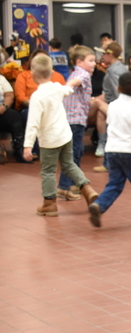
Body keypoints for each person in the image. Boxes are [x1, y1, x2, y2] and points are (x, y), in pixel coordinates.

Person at [21, 54, 98, 216]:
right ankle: (88, 189)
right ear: (51, 73)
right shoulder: (57, 87)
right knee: (69, 164)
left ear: (32, 74)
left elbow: (33, 123)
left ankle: (49, 204)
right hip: (65, 135)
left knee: (48, 171)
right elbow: (69, 89)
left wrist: (28, 145)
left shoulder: (37, 97)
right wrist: (73, 83)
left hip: (49, 140)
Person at [88, 72, 131, 228]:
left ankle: (100, 205)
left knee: (115, 184)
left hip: (112, 150)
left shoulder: (113, 106)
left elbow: (108, 120)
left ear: (118, 88)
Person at [56, 45, 107, 200]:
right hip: (75, 120)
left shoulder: (76, 72)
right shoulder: (82, 74)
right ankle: (65, 187)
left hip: (72, 119)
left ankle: (73, 183)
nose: (94, 63)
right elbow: (73, 84)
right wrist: (66, 89)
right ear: (79, 61)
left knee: (74, 152)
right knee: (75, 153)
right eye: (90, 60)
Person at [94, 41, 127, 161]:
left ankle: (103, 144)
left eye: (104, 54)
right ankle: (103, 144)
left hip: (115, 105)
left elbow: (119, 91)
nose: (102, 56)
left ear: (110, 55)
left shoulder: (114, 71)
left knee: (99, 111)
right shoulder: (119, 67)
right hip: (112, 102)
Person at [0, 71, 28, 163]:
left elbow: (9, 95)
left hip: (1, 110)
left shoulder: (1, 79)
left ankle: (19, 151)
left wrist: (4, 107)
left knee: (14, 116)